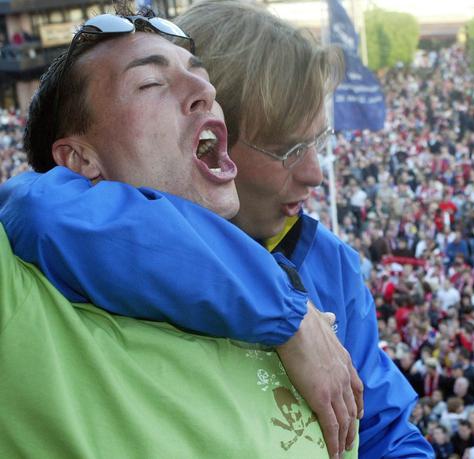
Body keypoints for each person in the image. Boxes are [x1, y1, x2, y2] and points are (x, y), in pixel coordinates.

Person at [1, 1, 431, 457]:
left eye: (198, 73)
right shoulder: (31, 297)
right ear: (79, 161)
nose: (314, 174)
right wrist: (284, 307)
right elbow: (36, 204)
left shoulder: (329, 265)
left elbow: (386, 435)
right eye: (287, 149)